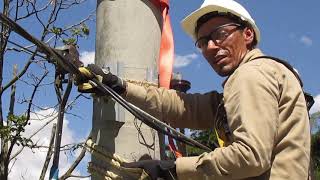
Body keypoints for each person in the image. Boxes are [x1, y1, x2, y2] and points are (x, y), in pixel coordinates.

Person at [78, 0, 311, 179]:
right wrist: (122, 87)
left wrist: (173, 169)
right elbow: (184, 107)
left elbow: (250, 156)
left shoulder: (250, 75)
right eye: (203, 42)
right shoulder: (260, 76)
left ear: (247, 34)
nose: (210, 47)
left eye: (219, 34)